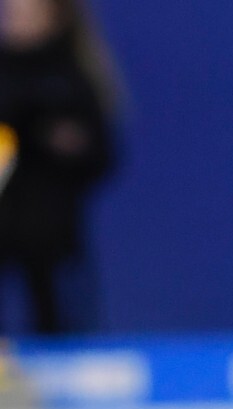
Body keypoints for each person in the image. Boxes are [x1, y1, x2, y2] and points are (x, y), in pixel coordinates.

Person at [0, 0, 118, 334]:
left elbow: (103, 155)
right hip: (4, 229)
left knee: (58, 325)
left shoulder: (73, 78)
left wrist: (60, 143)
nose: (15, 19)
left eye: (28, 12)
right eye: (11, 11)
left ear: (55, 18)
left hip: (53, 240)